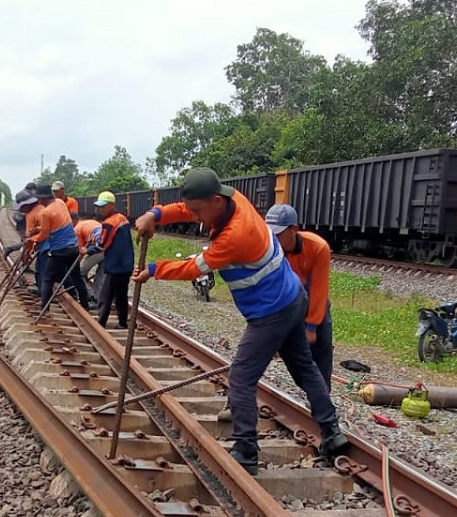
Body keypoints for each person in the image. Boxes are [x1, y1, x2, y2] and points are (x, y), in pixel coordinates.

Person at [131, 168, 346, 472]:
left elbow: (194, 268)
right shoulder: (230, 200)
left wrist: (152, 270)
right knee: (304, 369)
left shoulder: (236, 234)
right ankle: (332, 431)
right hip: (293, 297)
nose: (195, 217)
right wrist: (155, 213)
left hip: (272, 312)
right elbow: (186, 208)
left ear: (216, 201)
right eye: (192, 210)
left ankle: (246, 451)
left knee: (242, 379)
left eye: (198, 211)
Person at [265, 204, 334, 389]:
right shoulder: (268, 247)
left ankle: (322, 398)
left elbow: (319, 290)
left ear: (294, 229)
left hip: (312, 303)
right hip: (285, 304)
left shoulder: (318, 247)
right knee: (280, 353)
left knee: (321, 351)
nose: (273, 238)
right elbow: (268, 289)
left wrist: (311, 328)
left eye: (278, 233)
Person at [29, 183, 90, 309]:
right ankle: (85, 305)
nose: (39, 202)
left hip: (59, 251)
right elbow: (56, 224)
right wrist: (38, 229)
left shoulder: (45, 212)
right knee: (77, 277)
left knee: (47, 279)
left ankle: (44, 307)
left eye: (39, 199)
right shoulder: (60, 203)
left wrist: (33, 239)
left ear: (44, 198)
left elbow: (44, 236)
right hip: (73, 248)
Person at [89, 192, 134, 328]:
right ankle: (122, 323)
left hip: (115, 264)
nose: (101, 209)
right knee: (121, 295)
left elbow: (103, 244)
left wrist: (88, 250)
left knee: (106, 295)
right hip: (126, 264)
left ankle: (101, 322)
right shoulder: (122, 218)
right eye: (99, 207)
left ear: (112, 205)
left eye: (103, 206)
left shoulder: (110, 222)